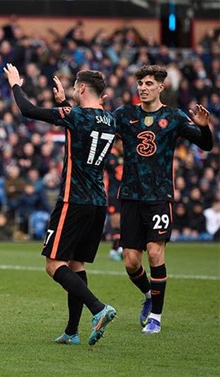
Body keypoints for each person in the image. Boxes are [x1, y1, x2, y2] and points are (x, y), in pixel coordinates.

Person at [4, 63, 117, 346]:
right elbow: (84, 127)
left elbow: (28, 110)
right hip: (97, 202)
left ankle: (98, 308)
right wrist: (63, 103)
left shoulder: (76, 115)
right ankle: (71, 331)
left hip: (73, 200)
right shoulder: (110, 119)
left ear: (81, 88)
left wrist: (15, 85)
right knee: (76, 264)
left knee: (54, 264)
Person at [114, 65, 213, 334]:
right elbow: (100, 129)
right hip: (131, 196)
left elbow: (206, 145)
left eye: (148, 83)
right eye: (140, 83)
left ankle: (156, 317)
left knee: (155, 253)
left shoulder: (174, 117)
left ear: (161, 87)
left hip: (159, 196)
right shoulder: (125, 115)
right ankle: (149, 295)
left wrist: (204, 129)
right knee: (131, 261)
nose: (143, 87)